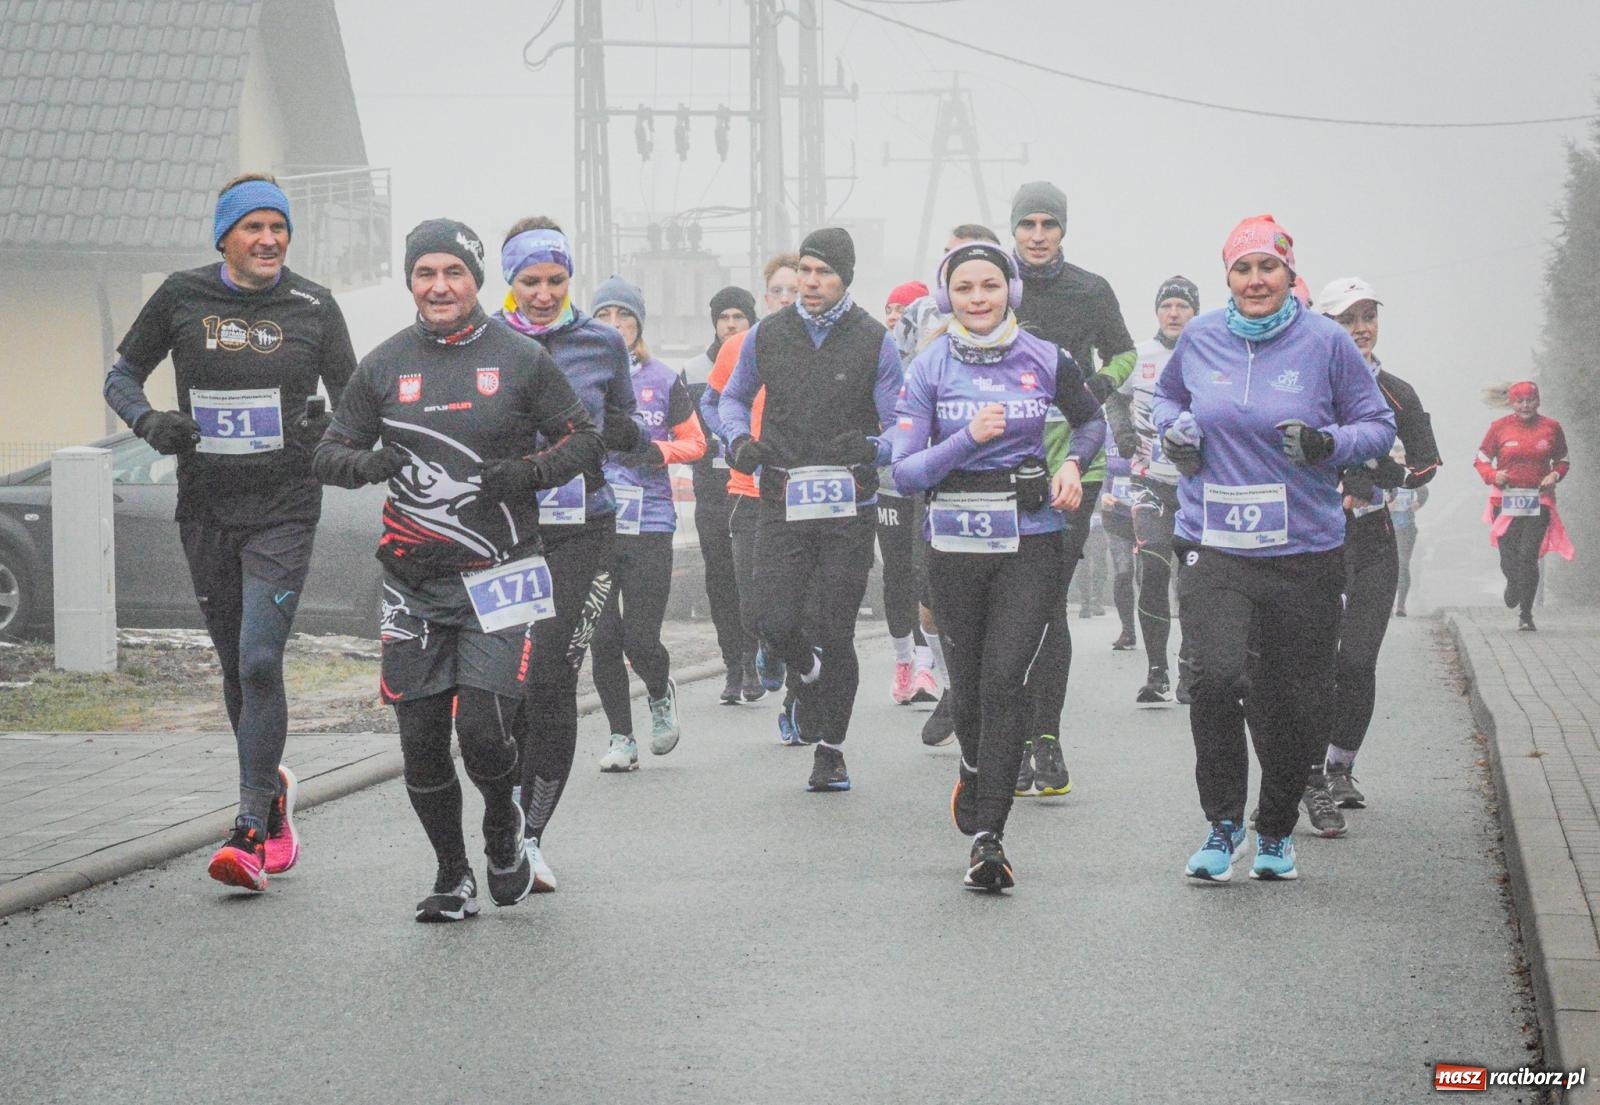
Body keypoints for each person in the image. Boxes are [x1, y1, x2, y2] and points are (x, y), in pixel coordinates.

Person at [312, 218, 603, 921]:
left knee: (481, 727)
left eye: (453, 273)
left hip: (500, 573)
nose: (438, 286)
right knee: (419, 743)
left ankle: (502, 827)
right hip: (414, 582)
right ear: (411, 282)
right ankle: (452, 873)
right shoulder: (382, 365)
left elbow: (585, 439)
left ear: (475, 280)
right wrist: (366, 462)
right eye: (424, 274)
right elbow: (328, 454)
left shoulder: (521, 357)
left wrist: (528, 472)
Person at [104, 173, 356, 892]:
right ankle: (271, 796)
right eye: (254, 227)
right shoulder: (183, 296)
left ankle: (246, 827)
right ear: (225, 237)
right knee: (232, 665)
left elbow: (355, 398)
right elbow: (121, 376)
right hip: (207, 508)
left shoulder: (315, 305)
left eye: (279, 227)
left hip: (284, 507)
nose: (270, 239)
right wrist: (150, 422)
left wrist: (328, 430)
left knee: (257, 658)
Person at [1154, 215, 1395, 883]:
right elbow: (1168, 402)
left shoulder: (1324, 342)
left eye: (1268, 267)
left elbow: (1378, 424)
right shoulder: (1200, 338)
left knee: (1298, 698)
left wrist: (1328, 445)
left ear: (1290, 275)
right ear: (1226, 277)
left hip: (1304, 548)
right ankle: (1222, 823)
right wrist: (1176, 432)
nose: (1255, 280)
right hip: (1216, 539)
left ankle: (1275, 826)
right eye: (1242, 268)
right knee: (1217, 676)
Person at [892, 241, 1105, 889]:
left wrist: (1070, 464)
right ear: (947, 296)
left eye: (989, 285)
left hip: (1030, 540)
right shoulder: (928, 367)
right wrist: (967, 438)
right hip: (953, 545)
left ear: (1009, 290)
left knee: (1006, 677)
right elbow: (905, 473)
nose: (978, 298)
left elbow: (1092, 423)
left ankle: (990, 838)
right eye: (964, 288)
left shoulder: (1046, 358)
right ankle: (977, 770)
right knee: (973, 687)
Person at [718, 228, 902, 791]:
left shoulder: (874, 338)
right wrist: (738, 443)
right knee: (768, 618)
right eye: (805, 270)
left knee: (836, 628)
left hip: (849, 506)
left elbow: (901, 425)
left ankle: (831, 751)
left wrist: (874, 449)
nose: (811, 282)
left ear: (845, 277)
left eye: (824, 272)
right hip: (781, 497)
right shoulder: (768, 334)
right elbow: (730, 397)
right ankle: (808, 670)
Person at [495, 218, 643, 890]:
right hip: (503, 531)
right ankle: (504, 817)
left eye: (557, 280)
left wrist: (622, 429)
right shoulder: (486, 341)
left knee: (553, 677)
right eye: (531, 281)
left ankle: (530, 836)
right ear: (509, 281)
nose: (545, 293)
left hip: (584, 529)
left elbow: (627, 426)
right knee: (508, 689)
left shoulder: (602, 342)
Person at [1297, 277, 1442, 832]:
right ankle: (1308, 772)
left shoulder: (1398, 390)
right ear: (1325, 325)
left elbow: (1426, 463)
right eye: (1346, 319)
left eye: (1367, 317)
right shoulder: (1308, 385)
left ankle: (1340, 767)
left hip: (1371, 538)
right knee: (1314, 662)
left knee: (1356, 660)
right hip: (1314, 541)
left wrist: (1387, 472)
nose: (1359, 328)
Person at [1009, 181, 1135, 798]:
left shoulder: (1091, 288)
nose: (1038, 235)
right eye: (1028, 224)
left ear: (1063, 230)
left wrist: (1099, 386)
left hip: (1073, 466)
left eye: (1048, 224)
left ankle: (1046, 739)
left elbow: (1126, 353)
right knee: (1003, 605)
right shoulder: (990, 284)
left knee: (1045, 602)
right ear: (1013, 230)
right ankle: (992, 721)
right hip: (997, 466)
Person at [589, 276, 706, 770]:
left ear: (639, 325)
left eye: (625, 318)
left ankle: (660, 690)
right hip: (591, 519)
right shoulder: (577, 376)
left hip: (650, 521)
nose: (615, 327)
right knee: (601, 635)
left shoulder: (662, 379)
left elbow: (698, 444)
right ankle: (621, 738)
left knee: (639, 638)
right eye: (605, 318)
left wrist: (654, 450)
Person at [701, 253, 803, 740]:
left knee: (800, 603)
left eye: (794, 292)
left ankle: (798, 703)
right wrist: (733, 440)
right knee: (752, 601)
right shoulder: (741, 346)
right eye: (778, 292)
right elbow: (712, 400)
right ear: (766, 299)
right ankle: (768, 645)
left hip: (801, 489)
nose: (786, 299)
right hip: (748, 489)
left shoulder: (819, 349)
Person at [1115, 277, 1200, 706]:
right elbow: (1113, 396)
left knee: (1193, 579)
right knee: (1151, 569)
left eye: (1182, 306)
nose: (1173, 313)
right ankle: (1156, 671)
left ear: (1194, 313)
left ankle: (1188, 669)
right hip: (1148, 483)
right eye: (1166, 305)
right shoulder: (1138, 357)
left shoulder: (1208, 354)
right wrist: (1124, 433)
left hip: (1195, 487)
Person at [681, 286, 760, 703]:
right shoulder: (693, 370)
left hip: (752, 489)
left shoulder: (761, 358)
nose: (731, 325)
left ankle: (756, 658)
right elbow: (684, 426)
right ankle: (734, 664)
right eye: (724, 317)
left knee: (752, 579)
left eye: (739, 317)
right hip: (710, 491)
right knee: (720, 580)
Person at [879, 279, 938, 705]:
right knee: (897, 572)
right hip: (888, 483)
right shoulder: (883, 357)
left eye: (905, 310)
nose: (896, 316)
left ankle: (925, 664)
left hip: (928, 483)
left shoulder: (936, 359)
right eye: (890, 309)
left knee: (924, 573)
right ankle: (904, 658)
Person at [1475, 380, 1572, 631]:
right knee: (1509, 559)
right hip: (1505, 501)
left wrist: (1555, 475)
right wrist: (1493, 475)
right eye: (1520, 401)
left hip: (1538, 501)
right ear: (1512, 403)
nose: (1526, 405)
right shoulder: (1499, 428)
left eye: (1530, 400)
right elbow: (1481, 460)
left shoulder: (1551, 427)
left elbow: (1562, 459)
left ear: (1537, 401)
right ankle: (1512, 583)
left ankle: (1526, 614)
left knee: (1528, 556)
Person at [1100, 436, 1139, 650]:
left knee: (1147, 575)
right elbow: (1100, 467)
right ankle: (1128, 631)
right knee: (1124, 572)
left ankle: (1153, 634)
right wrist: (1104, 492)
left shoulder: (1149, 421)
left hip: (1146, 514)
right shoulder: (1106, 429)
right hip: (1116, 515)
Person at [1388, 444, 1427, 617]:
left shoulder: (1411, 478)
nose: (1399, 463)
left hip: (1406, 528)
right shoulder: (1385, 477)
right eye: (1396, 459)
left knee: (1403, 564)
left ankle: (1401, 605)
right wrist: (1388, 506)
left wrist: (1417, 504)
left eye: (1402, 458)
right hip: (1386, 528)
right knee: (1388, 567)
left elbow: (1424, 491)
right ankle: (1388, 603)